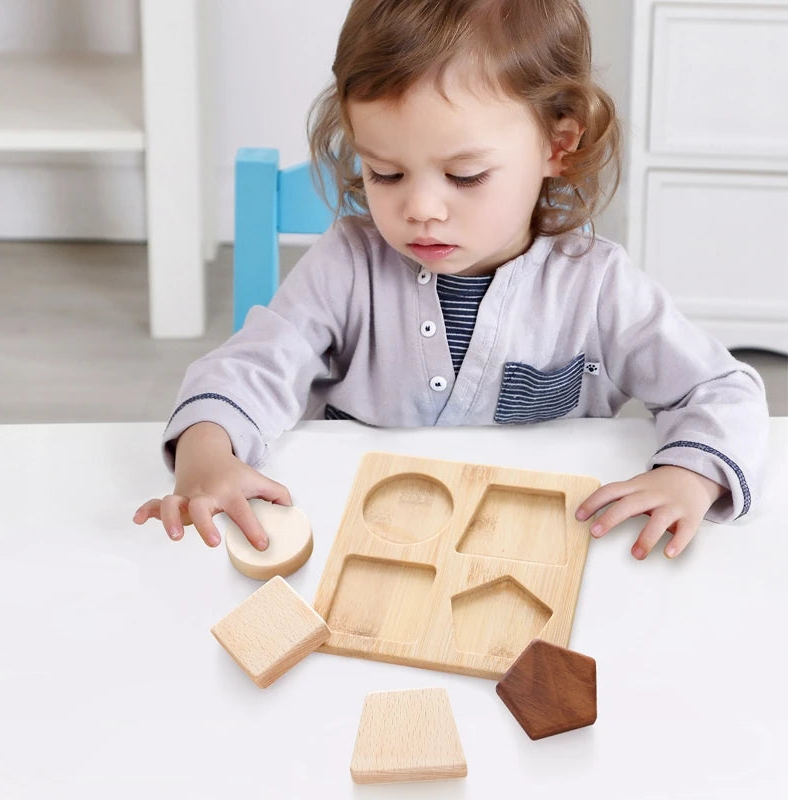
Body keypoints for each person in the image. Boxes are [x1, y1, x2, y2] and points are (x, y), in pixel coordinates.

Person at [133, 0, 768, 561]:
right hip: (359, 541)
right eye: (385, 173)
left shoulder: (598, 287)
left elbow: (722, 390)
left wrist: (690, 474)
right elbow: (248, 369)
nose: (421, 209)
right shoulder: (346, 265)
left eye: (463, 176)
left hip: (537, 554)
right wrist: (208, 455)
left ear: (558, 144)